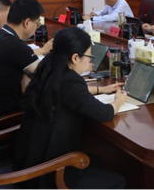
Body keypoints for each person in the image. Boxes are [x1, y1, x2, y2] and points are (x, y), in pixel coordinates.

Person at [14, 27, 127, 190]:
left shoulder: (49, 68)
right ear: (75, 58)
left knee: (96, 160)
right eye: (88, 56)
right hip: (49, 174)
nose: (90, 61)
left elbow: (65, 92)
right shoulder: (71, 82)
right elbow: (104, 113)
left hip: (31, 161)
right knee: (118, 180)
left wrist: (100, 89)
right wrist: (118, 101)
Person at [0, 0, 53, 122]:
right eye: (37, 23)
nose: (37, 27)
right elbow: (47, 73)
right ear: (27, 22)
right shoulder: (15, 45)